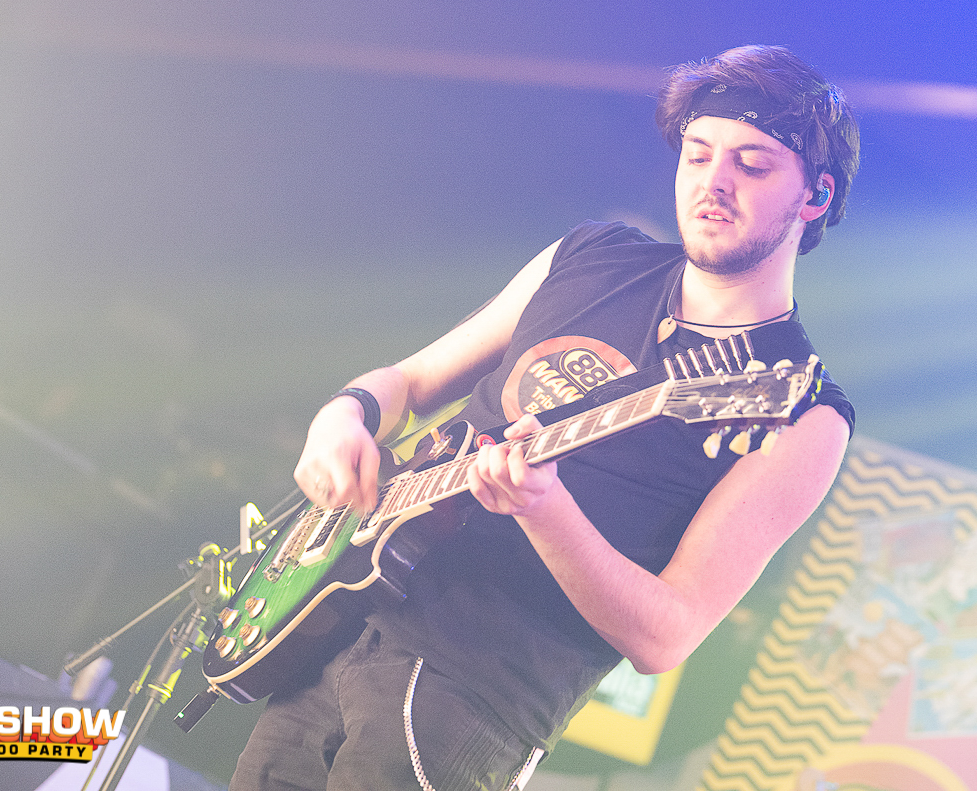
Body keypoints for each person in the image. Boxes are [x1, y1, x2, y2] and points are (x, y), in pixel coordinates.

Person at [230, 45, 861, 791]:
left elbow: (667, 634)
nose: (712, 182)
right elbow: (411, 381)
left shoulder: (801, 410)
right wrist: (345, 413)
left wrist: (543, 508)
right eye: (697, 155)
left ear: (815, 196)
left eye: (751, 165)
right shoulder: (589, 256)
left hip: (466, 703)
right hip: (340, 625)